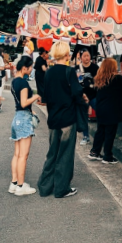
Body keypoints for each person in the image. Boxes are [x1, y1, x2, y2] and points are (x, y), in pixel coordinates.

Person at [37, 42, 85, 198]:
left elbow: (46, 96)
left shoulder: (49, 72)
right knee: (65, 154)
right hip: (67, 118)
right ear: (66, 55)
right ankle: (61, 189)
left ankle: (45, 187)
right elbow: (77, 92)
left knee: (52, 153)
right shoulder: (69, 71)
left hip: (53, 118)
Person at [9, 56, 41, 196]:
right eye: (30, 67)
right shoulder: (22, 82)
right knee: (23, 156)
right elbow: (23, 102)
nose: (32, 69)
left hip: (17, 118)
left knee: (17, 154)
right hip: (24, 119)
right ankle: (21, 186)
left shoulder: (14, 81)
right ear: (24, 68)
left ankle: (14, 183)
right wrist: (35, 96)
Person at [74, 49, 99, 145]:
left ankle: (101, 133)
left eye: (88, 55)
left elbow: (98, 81)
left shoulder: (95, 67)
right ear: (80, 57)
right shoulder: (77, 68)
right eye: (84, 56)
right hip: (82, 96)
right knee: (84, 116)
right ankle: (86, 136)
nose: (86, 58)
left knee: (100, 112)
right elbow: (76, 83)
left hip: (93, 95)